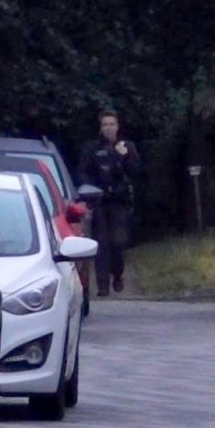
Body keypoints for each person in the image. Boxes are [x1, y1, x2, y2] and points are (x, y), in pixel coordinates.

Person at [79, 110, 141, 295]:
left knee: (118, 243)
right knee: (101, 243)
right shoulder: (92, 148)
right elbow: (82, 172)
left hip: (120, 203)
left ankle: (118, 275)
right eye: (105, 124)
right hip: (99, 202)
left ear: (117, 126)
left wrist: (125, 156)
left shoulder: (127, 146)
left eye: (111, 124)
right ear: (101, 127)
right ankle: (103, 286)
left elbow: (136, 171)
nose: (108, 128)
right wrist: (90, 190)